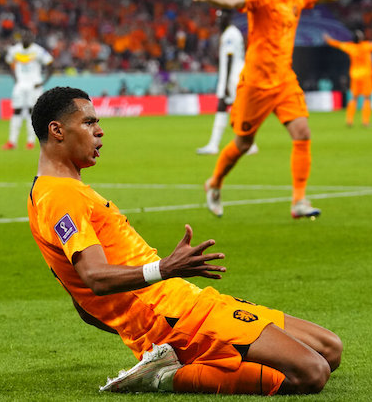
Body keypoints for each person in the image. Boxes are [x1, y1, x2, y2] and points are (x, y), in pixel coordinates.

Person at [27, 86, 342, 395]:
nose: (100, 131)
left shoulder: (58, 191)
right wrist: (163, 271)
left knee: (330, 349)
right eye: (89, 122)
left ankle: (176, 362)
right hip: (171, 316)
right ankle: (164, 377)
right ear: (57, 130)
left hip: (184, 301)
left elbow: (80, 299)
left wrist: (130, 325)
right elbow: (93, 278)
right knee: (312, 372)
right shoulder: (59, 195)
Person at [190, 0, 372, 218]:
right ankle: (214, 183)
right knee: (243, 144)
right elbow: (234, 0)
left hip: (285, 81)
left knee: (302, 132)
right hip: (255, 85)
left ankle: (299, 201)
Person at [196, 9, 257, 156]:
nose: (218, 20)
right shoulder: (228, 33)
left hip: (233, 77)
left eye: (221, 17)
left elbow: (230, 58)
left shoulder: (231, 34)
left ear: (228, 18)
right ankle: (218, 144)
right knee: (227, 107)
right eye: (217, 18)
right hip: (231, 76)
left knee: (233, 109)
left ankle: (246, 144)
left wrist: (227, 84)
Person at [323, 30, 372, 127]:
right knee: (367, 98)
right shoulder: (367, 46)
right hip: (366, 76)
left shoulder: (350, 47)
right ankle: (365, 121)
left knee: (353, 98)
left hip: (355, 76)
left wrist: (329, 40)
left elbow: (338, 44)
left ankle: (349, 120)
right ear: (361, 38)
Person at [2, 30, 54, 150]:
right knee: (17, 111)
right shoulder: (14, 50)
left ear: (32, 39)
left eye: (28, 38)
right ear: (21, 39)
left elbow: (51, 65)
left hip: (34, 85)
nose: (26, 40)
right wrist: (15, 78)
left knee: (32, 112)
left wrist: (43, 82)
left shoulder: (38, 51)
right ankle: (12, 141)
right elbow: (8, 62)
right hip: (20, 85)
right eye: (24, 37)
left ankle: (30, 141)